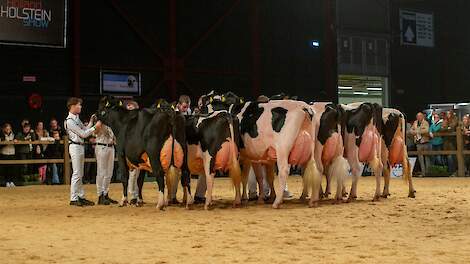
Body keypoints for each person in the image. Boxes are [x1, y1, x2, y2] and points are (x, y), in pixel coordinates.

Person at [65, 97, 102, 206]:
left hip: (79, 146)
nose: (80, 107)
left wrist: (91, 122)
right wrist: (95, 127)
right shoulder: (69, 121)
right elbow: (84, 134)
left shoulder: (76, 118)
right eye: (78, 105)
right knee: (77, 173)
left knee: (80, 173)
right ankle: (73, 198)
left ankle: (80, 196)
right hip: (75, 147)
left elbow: (85, 129)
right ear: (72, 106)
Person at [94, 123, 118, 205]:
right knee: (101, 172)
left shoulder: (111, 122)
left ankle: (105, 193)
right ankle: (100, 195)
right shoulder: (99, 121)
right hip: (101, 146)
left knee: (109, 172)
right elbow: (95, 132)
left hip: (111, 147)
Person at [410, 112, 431, 176]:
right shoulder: (415, 122)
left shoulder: (426, 123)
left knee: (427, 158)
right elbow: (411, 130)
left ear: (422, 117)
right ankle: (423, 173)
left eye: (420, 116)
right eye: (417, 116)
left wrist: (417, 131)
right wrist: (417, 131)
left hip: (425, 142)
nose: (418, 118)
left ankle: (428, 172)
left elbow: (426, 130)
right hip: (418, 142)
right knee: (420, 159)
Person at [442, 110, 458, 175]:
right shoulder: (445, 120)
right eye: (447, 114)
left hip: (453, 141)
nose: (448, 115)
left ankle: (453, 171)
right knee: (448, 156)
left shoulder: (455, 119)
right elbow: (442, 129)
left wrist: (447, 128)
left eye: (449, 114)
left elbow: (452, 127)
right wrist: (447, 128)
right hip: (446, 141)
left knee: (452, 156)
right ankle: (450, 171)